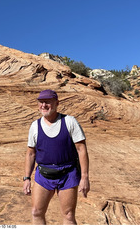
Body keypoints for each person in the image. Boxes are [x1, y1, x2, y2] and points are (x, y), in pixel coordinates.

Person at [23, 89, 90, 225]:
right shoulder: (35, 126)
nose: (44, 105)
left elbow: (81, 149)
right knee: (36, 212)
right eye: (41, 102)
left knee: (68, 215)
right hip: (43, 175)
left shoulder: (70, 121)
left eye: (48, 102)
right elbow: (31, 153)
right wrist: (27, 178)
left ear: (57, 103)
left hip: (67, 175)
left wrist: (84, 177)